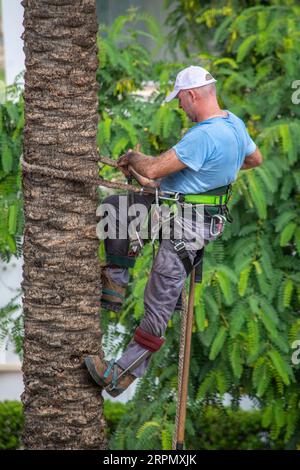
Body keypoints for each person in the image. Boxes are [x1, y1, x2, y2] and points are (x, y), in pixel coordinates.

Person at [85, 65, 263, 397]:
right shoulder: (234, 125)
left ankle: (120, 374)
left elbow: (152, 167)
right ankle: (114, 284)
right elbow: (256, 159)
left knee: (159, 299)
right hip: (185, 211)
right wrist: (214, 171)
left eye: (180, 101)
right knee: (118, 209)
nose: (180, 107)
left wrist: (133, 157)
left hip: (189, 225)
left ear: (191, 95)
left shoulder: (204, 136)